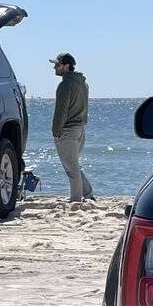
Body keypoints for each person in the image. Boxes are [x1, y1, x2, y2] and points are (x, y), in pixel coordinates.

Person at [49, 51, 94, 202]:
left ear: (66, 66)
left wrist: (56, 132)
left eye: (57, 64)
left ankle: (75, 199)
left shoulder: (65, 85)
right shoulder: (83, 84)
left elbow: (61, 111)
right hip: (80, 129)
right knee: (74, 165)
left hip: (68, 130)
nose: (54, 67)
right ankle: (88, 194)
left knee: (71, 168)